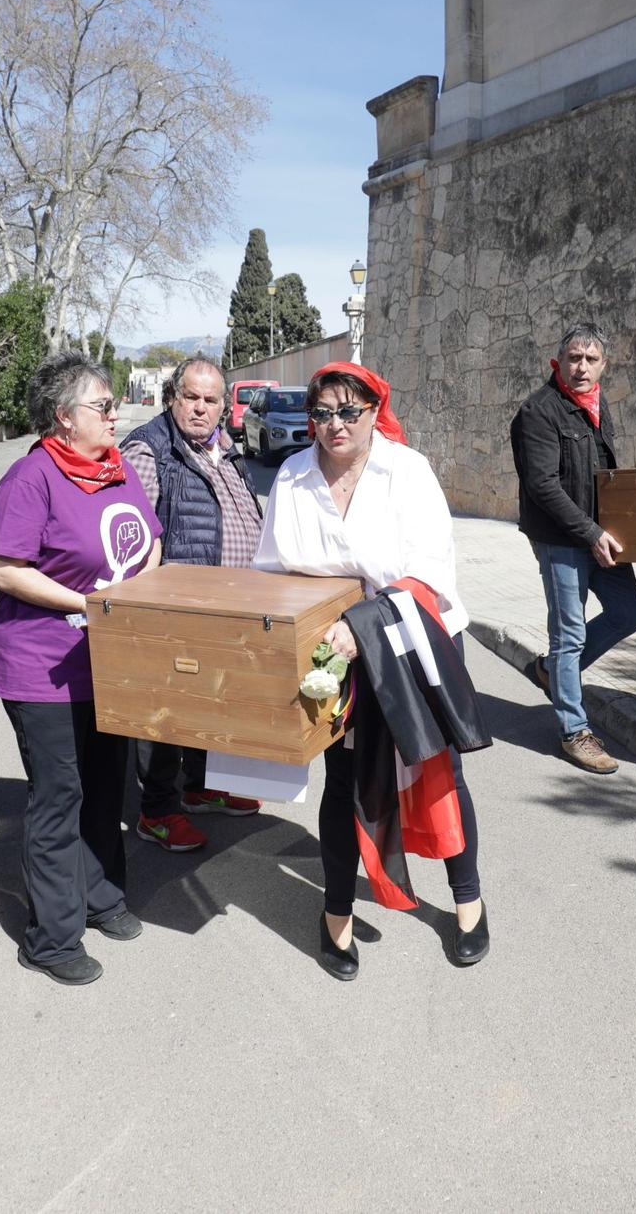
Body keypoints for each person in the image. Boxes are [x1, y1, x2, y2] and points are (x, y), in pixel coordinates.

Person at [255, 361, 491, 978]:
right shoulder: (292, 475)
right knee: (342, 785)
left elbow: (430, 573)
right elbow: (272, 573)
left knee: (438, 775)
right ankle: (335, 918)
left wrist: (362, 627)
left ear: (372, 410)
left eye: (348, 412)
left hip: (416, 647)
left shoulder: (406, 472)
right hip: (333, 656)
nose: (335, 425)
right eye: (323, 413)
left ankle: (468, 901)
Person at [0, 352, 163, 986]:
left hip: (108, 661)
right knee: (60, 794)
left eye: (113, 405)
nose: (115, 416)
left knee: (105, 783)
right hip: (42, 666)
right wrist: (90, 603)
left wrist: (137, 592)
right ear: (64, 418)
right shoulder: (30, 479)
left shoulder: (115, 471)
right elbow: (4, 569)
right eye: (103, 406)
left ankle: (102, 897)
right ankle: (52, 937)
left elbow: (151, 536)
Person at [118, 355, 265, 851]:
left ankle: (201, 787)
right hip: (176, 609)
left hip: (226, 607)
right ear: (172, 398)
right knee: (167, 711)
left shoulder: (225, 448)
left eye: (210, 400)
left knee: (212, 700)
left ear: (224, 406)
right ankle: (156, 811)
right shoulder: (150, 450)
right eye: (191, 397)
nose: (201, 408)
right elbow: (132, 536)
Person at [508, 324, 636, 774]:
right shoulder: (540, 412)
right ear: (559, 360)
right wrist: (590, 533)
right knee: (569, 634)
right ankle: (574, 731)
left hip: (597, 535)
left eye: (590, 360)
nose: (581, 367)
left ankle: (552, 671)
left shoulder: (595, 404)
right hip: (561, 539)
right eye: (573, 358)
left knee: (630, 613)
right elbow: (543, 486)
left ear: (603, 365)